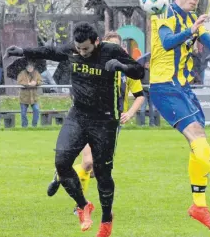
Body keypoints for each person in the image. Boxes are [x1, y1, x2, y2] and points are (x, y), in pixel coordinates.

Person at [4, 22, 144, 237]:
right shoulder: (73, 49)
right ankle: (83, 205)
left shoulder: (111, 51)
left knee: (103, 173)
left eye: (86, 49)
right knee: (61, 161)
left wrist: (122, 66)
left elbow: (139, 71)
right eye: (79, 48)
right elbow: (50, 51)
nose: (81, 52)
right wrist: (23, 51)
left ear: (96, 42)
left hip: (105, 120)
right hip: (78, 115)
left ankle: (106, 220)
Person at [149, 0, 210, 232]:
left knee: (198, 142)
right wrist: (192, 30)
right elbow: (167, 42)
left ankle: (199, 206)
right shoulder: (164, 12)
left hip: (184, 89)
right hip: (164, 87)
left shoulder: (193, 20)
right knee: (197, 135)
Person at [46, 31, 146, 210]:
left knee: (95, 170)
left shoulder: (124, 70)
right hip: (86, 118)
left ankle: (61, 176)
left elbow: (139, 95)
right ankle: (80, 205)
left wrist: (129, 113)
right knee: (88, 162)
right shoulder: (91, 62)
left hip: (109, 122)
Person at [17, 62, 42, 127]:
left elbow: (41, 81)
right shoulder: (22, 73)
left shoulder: (36, 73)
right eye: (28, 67)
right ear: (26, 67)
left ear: (33, 67)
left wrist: (36, 83)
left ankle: (34, 125)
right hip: (24, 97)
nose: (30, 68)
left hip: (34, 97)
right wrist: (27, 84)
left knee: (36, 110)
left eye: (31, 67)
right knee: (23, 113)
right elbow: (19, 81)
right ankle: (24, 126)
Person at [138, 62, 158, 126]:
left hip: (152, 91)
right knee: (143, 107)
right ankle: (142, 124)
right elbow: (138, 81)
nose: (147, 65)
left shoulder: (153, 71)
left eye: (149, 64)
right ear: (144, 65)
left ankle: (152, 123)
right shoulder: (141, 71)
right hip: (144, 91)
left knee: (152, 107)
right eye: (146, 64)